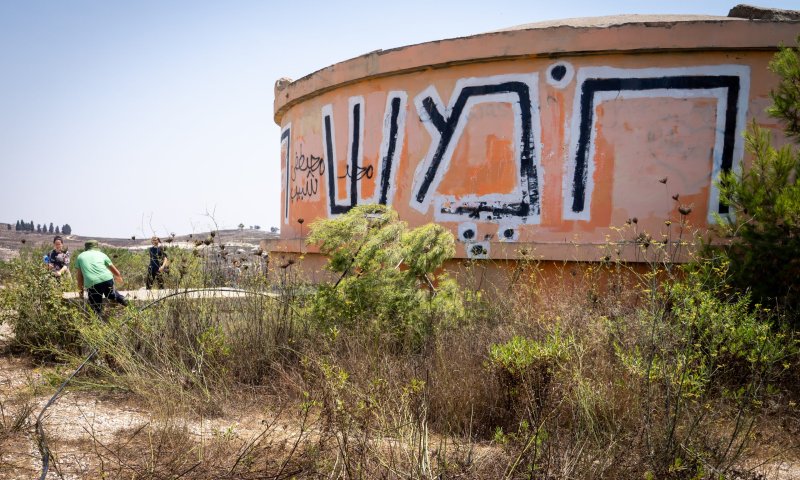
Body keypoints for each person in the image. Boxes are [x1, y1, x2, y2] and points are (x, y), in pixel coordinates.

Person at [75, 240, 128, 315]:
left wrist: (81, 293)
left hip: (93, 284)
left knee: (96, 308)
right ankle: (122, 299)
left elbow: (79, 278)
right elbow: (116, 272)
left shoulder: (80, 257)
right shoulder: (102, 254)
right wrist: (119, 278)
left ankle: (98, 322)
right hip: (107, 279)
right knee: (111, 294)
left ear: (86, 248)